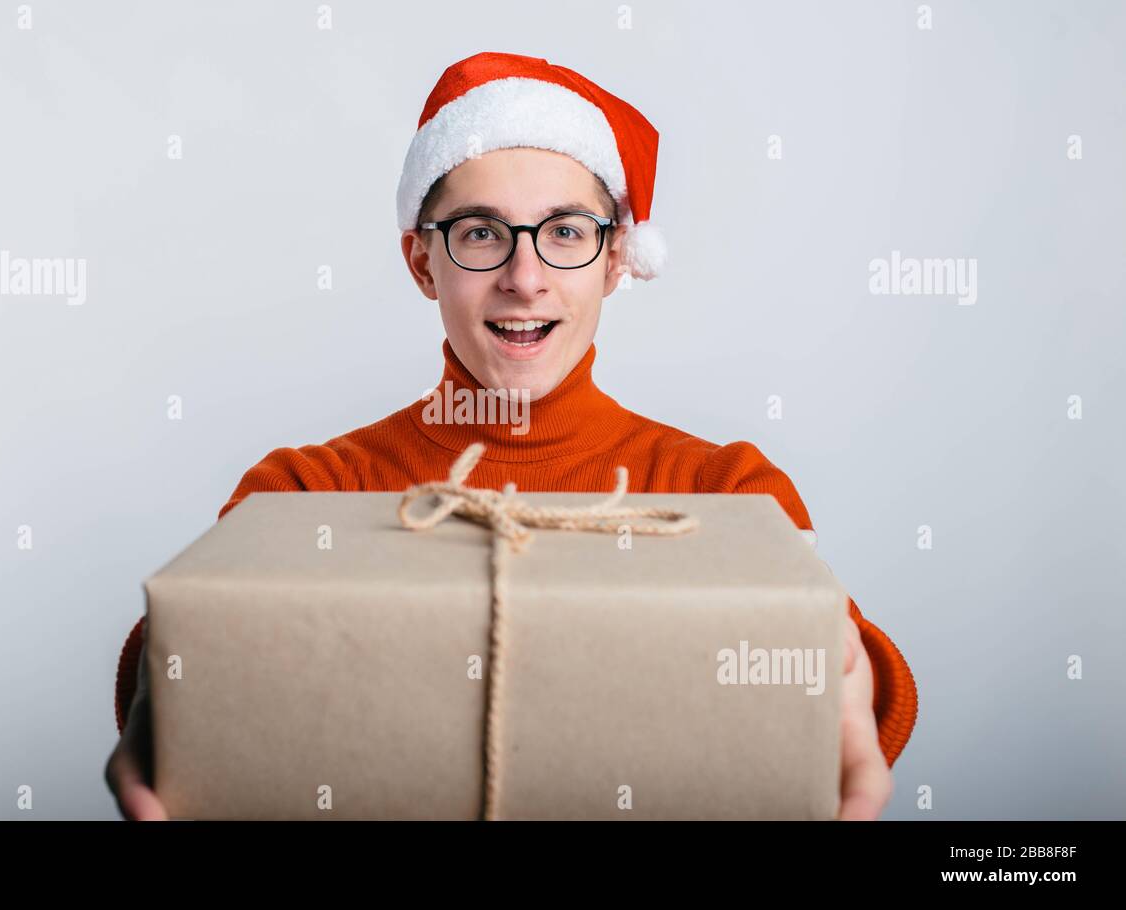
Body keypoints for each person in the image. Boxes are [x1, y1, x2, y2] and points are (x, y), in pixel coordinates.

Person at [106, 51, 918, 821]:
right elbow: (189, 652)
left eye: (566, 232)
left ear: (615, 261)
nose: (524, 277)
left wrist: (844, 674)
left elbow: (857, 680)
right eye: (482, 232)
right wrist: (168, 692)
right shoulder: (305, 494)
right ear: (423, 263)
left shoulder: (727, 493)